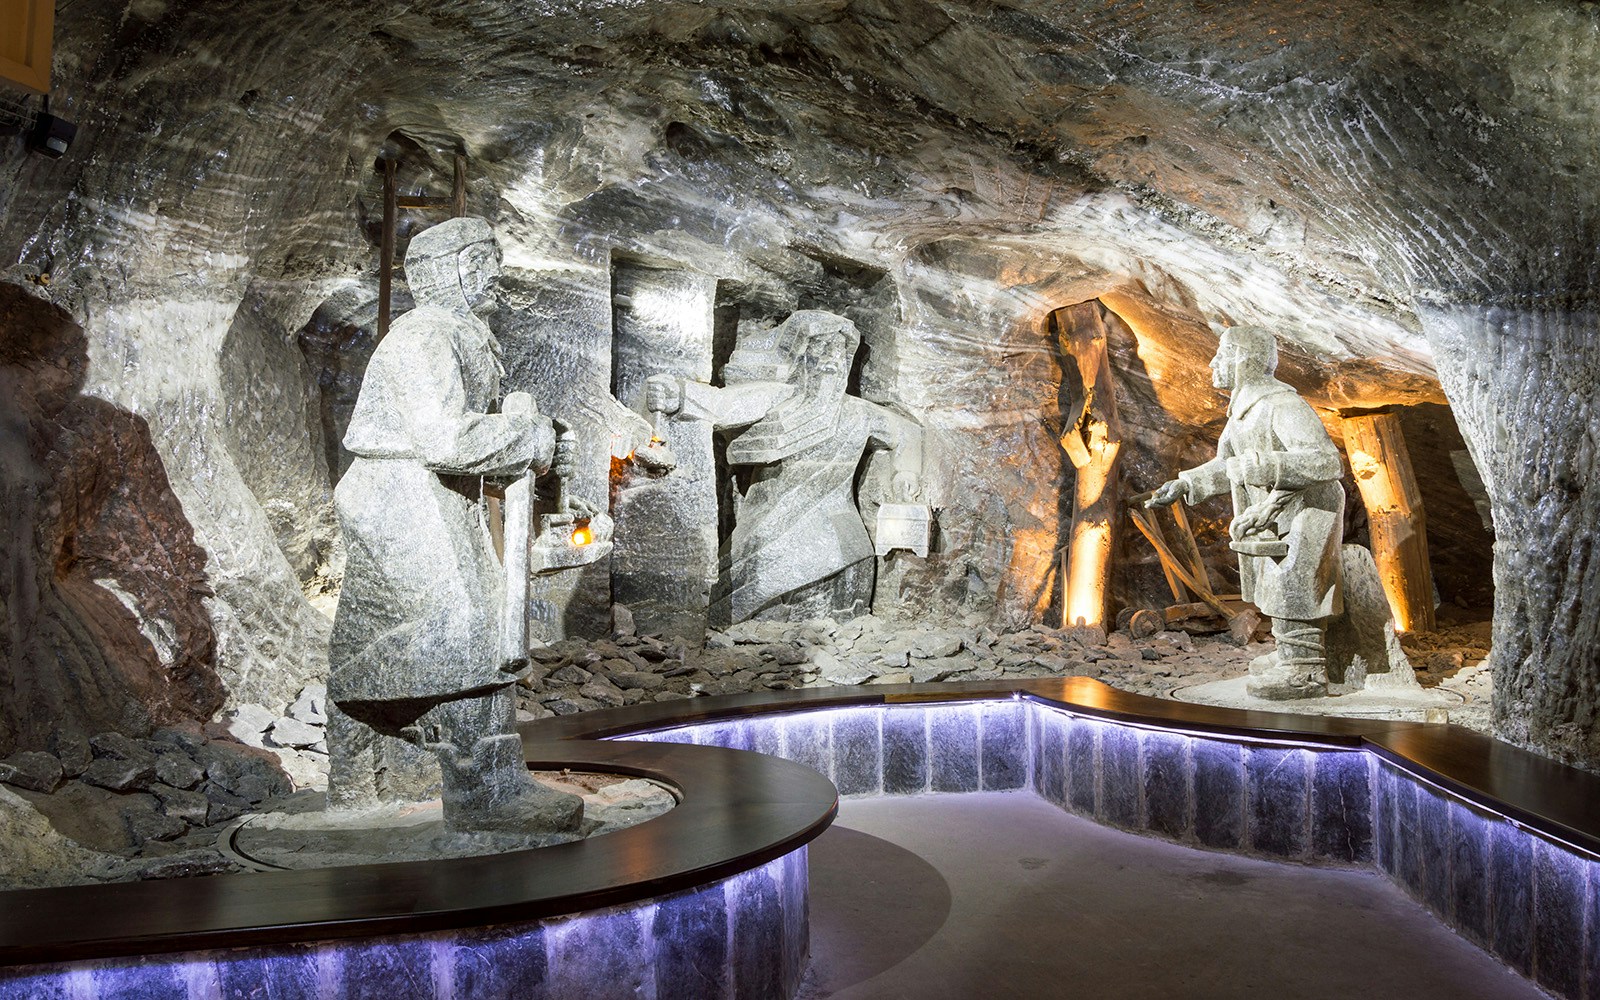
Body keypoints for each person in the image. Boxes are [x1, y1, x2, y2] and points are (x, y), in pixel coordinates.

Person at [327, 216, 582, 831]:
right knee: (469, 624)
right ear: (450, 273)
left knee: (399, 628)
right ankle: (485, 795)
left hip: (427, 492)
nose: (494, 275)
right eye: (480, 262)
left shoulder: (457, 334)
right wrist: (531, 436)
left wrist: (533, 444)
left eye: (492, 259)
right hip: (403, 493)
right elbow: (443, 437)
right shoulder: (423, 337)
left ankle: (377, 773)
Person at [645, 310, 920, 625]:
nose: (832, 357)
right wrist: (678, 395)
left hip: (838, 527)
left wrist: (906, 472)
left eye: (840, 350)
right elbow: (723, 405)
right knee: (746, 588)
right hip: (771, 524)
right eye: (822, 347)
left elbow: (907, 434)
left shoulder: (860, 414)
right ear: (803, 356)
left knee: (845, 569)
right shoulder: (777, 397)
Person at [1146, 324, 1344, 699]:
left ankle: (1306, 670)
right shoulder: (1243, 413)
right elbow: (1229, 464)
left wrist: (1265, 466)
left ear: (1240, 359)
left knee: (1293, 585)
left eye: (1220, 355)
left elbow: (1326, 462)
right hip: (1273, 513)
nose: (1212, 363)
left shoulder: (1281, 405)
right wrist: (1185, 484)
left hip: (1306, 511)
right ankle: (1290, 652)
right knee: (1274, 584)